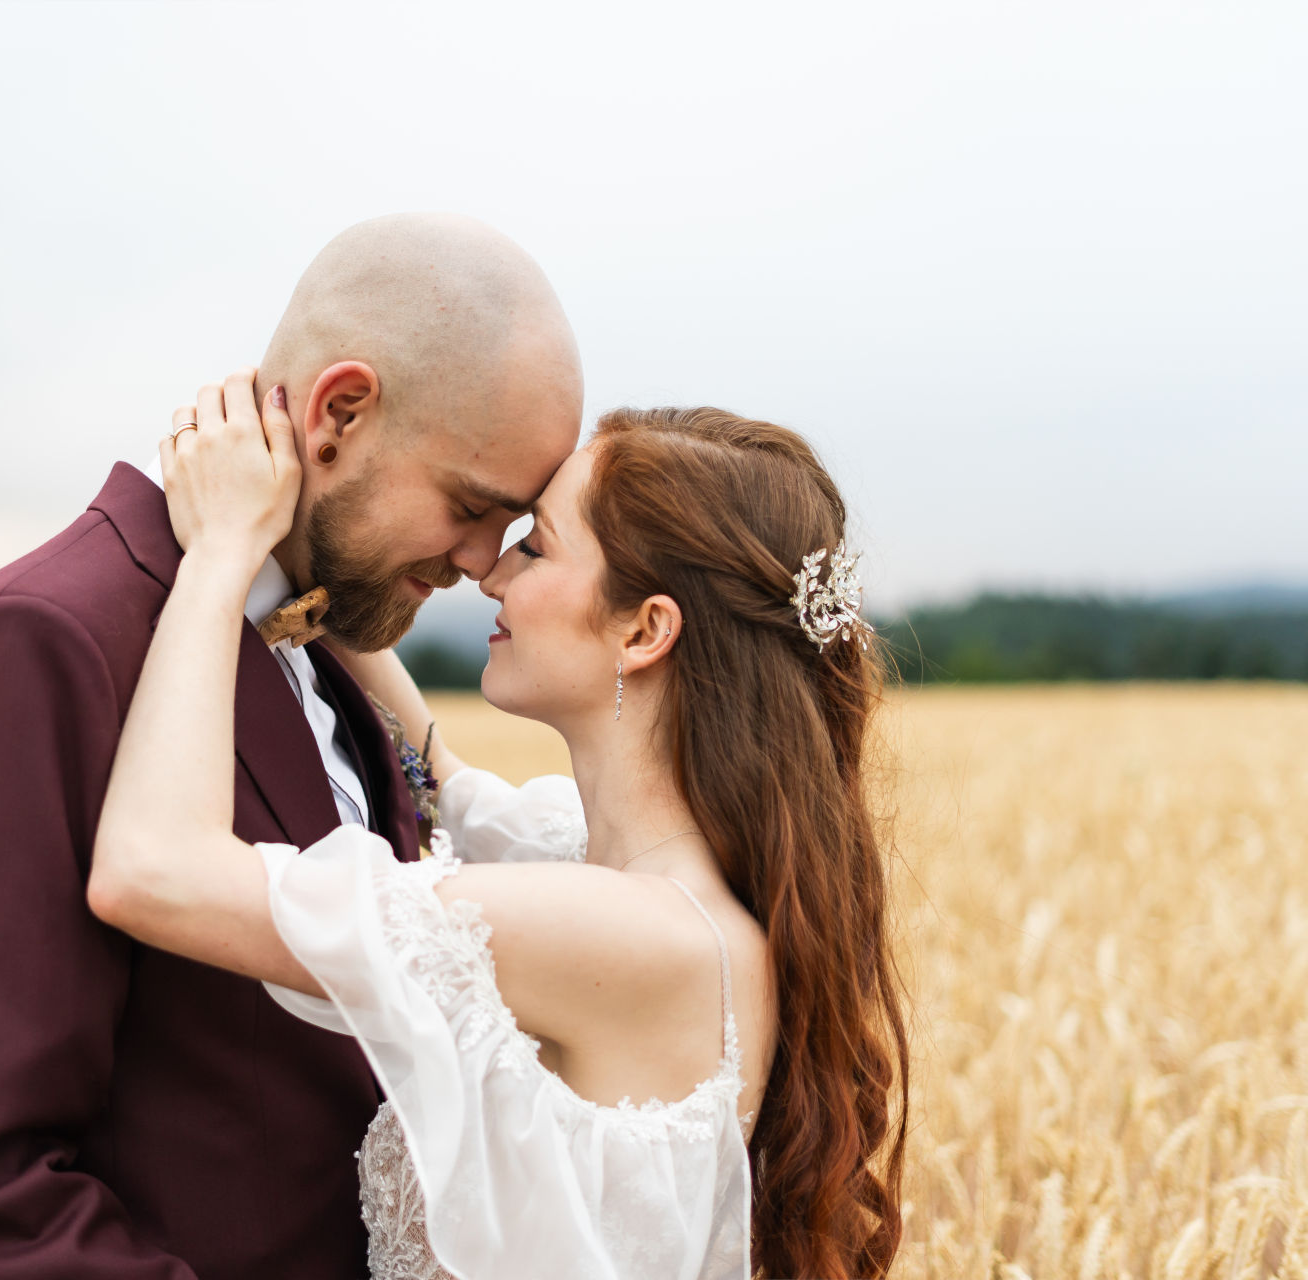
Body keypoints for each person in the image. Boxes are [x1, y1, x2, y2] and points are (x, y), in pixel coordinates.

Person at [0, 215, 582, 1280]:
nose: (480, 562)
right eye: (472, 505)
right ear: (340, 411)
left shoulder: (333, 633)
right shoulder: (43, 641)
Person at [89, 377, 910, 1279]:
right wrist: (328, 537)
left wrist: (220, 548)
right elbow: (443, 777)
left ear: (645, 630)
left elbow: (153, 871)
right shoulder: (623, 873)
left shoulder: (633, 935)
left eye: (537, 547)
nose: (490, 569)